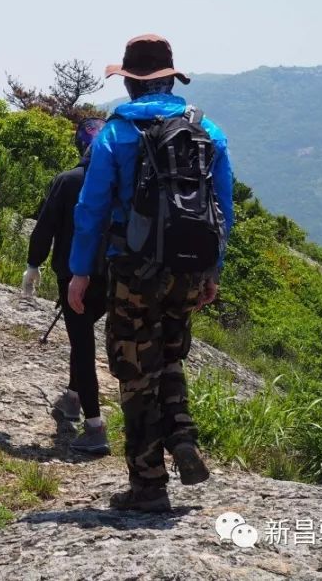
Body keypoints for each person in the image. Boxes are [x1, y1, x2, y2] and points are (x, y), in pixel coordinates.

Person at [68, 34, 234, 512]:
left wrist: (80, 272)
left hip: (134, 270)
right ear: (169, 78)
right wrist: (211, 271)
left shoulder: (116, 135)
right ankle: (182, 434)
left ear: (131, 83)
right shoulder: (209, 132)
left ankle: (148, 485)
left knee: (135, 372)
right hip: (187, 268)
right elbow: (223, 208)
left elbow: (92, 207)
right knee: (169, 355)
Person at [24, 117, 111, 454]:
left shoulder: (69, 180)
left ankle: (94, 426)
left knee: (83, 344)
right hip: (112, 275)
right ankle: (73, 399)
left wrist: (33, 264)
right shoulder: (122, 182)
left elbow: (44, 228)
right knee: (83, 335)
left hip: (73, 274)